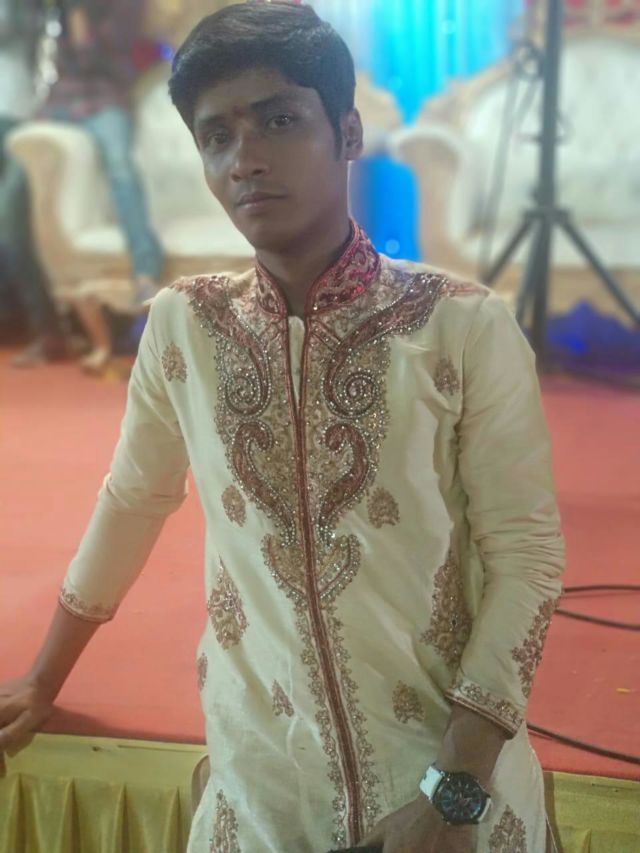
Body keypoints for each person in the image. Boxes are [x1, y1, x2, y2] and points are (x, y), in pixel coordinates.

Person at [0, 4, 565, 851]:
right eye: (216, 136)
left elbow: (526, 554)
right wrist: (43, 677)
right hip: (263, 786)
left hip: (444, 782)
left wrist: (453, 793)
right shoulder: (185, 325)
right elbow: (133, 499)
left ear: (348, 133)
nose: (246, 159)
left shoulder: (460, 326)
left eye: (279, 121)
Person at [32, 0, 165, 372]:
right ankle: (52, 319)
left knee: (121, 168)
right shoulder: (57, 12)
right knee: (21, 169)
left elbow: (95, 58)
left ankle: (145, 270)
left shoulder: (122, 7)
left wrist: (78, 17)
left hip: (105, 99)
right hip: (62, 101)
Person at [0, 0, 67, 365]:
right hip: (18, 111)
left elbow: (10, 29)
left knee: (12, 223)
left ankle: (48, 329)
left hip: (15, 115)